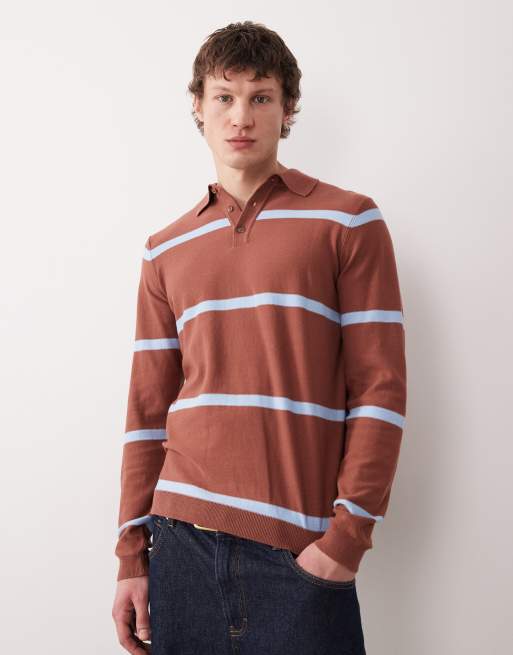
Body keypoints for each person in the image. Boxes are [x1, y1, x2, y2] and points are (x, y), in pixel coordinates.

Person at [112, 20, 407, 655]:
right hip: (179, 546)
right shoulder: (165, 249)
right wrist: (131, 556)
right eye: (224, 96)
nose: (241, 116)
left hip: (300, 552)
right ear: (198, 105)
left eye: (260, 97)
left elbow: (379, 390)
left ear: (287, 107)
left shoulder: (347, 220)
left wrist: (346, 541)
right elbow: (147, 410)